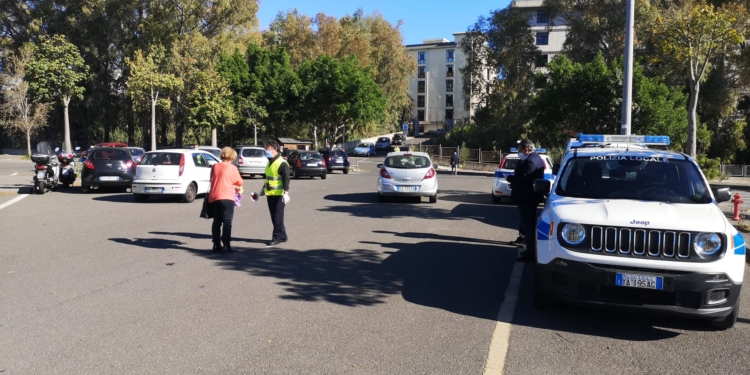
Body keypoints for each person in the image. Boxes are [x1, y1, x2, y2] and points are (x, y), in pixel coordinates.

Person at [506, 140, 546, 262]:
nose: (519, 153)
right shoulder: (536, 158)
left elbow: (523, 178)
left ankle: (530, 252)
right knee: (527, 224)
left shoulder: (530, 161)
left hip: (527, 197)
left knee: (528, 225)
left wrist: (510, 178)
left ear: (526, 150)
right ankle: (527, 244)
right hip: (528, 197)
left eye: (519, 150)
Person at [208, 147, 243, 252]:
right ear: (231, 157)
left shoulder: (214, 166)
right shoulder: (232, 168)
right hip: (226, 196)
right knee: (227, 221)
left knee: (217, 221)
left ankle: (216, 244)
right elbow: (239, 182)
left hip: (214, 196)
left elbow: (211, 179)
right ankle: (226, 245)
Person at [258, 140, 290, 248]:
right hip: (270, 193)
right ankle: (283, 235)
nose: (267, 151)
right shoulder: (269, 162)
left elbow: (286, 179)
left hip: (279, 194)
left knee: (277, 216)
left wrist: (286, 192)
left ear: (275, 149)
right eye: (266, 149)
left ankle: (276, 238)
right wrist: (262, 190)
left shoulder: (282, 163)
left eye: (268, 149)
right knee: (275, 216)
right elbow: (269, 178)